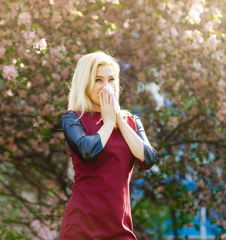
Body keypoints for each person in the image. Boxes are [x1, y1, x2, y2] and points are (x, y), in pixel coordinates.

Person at [59, 51, 158, 239]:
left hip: (120, 229)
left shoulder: (131, 121)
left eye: (111, 79)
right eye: (98, 80)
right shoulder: (74, 119)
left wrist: (118, 119)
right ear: (85, 84)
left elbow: (148, 159)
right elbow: (87, 151)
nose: (106, 87)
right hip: (81, 227)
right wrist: (108, 123)